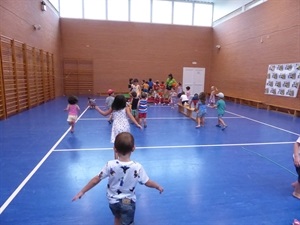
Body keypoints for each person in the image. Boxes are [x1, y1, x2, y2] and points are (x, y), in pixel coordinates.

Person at [72, 132, 164, 225]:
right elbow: (147, 182)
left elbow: (96, 179)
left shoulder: (110, 165)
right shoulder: (137, 167)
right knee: (128, 222)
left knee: (117, 217)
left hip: (113, 202)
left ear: (115, 149)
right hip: (128, 202)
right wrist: (157, 186)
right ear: (133, 148)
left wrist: (82, 191)